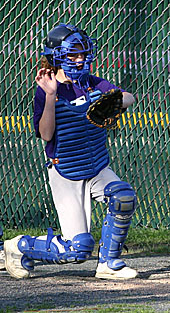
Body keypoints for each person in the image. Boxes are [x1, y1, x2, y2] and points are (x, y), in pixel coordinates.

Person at [4, 24, 138, 280]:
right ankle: (20, 246)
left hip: (97, 166)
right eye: (73, 55)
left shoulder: (92, 83)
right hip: (66, 171)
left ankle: (108, 263)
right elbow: (45, 134)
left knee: (123, 196)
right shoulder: (48, 89)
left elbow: (128, 97)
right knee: (77, 250)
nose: (81, 59)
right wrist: (52, 96)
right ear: (56, 57)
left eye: (83, 53)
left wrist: (113, 102)